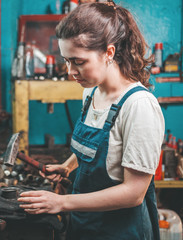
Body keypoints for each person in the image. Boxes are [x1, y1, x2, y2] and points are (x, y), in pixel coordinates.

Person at [17, 1, 165, 240]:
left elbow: (134, 193)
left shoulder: (138, 106)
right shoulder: (91, 93)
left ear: (109, 53)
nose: (70, 71)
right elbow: (98, 150)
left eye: (79, 61)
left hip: (120, 231)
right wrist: (68, 166)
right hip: (84, 224)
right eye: (66, 60)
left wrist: (62, 202)